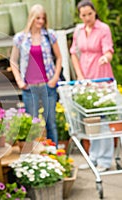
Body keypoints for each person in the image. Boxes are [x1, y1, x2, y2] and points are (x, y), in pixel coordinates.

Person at [70, 0, 115, 172]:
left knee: (102, 119)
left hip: (101, 77)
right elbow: (73, 53)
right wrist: (80, 76)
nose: (87, 18)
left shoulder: (103, 29)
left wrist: (105, 58)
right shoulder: (78, 30)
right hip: (85, 79)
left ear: (94, 12)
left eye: (90, 14)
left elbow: (108, 50)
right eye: (83, 15)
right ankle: (93, 158)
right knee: (90, 120)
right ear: (79, 16)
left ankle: (104, 160)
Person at [10, 4, 62, 145]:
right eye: (38, 18)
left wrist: (55, 77)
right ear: (31, 18)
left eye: (43, 18)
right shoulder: (20, 38)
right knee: (32, 125)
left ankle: (55, 154)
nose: (41, 21)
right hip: (29, 88)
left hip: (48, 86)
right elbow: (13, 61)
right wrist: (19, 81)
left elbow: (59, 58)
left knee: (50, 123)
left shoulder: (50, 36)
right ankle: (35, 156)